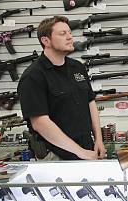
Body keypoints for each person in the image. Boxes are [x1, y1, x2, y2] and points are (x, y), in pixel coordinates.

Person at [18, 16, 105, 160]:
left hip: (87, 149)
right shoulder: (33, 76)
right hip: (55, 156)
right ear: (46, 41)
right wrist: (80, 152)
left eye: (70, 32)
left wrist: (99, 139)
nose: (70, 37)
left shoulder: (77, 67)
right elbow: (40, 123)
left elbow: (90, 102)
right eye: (62, 34)